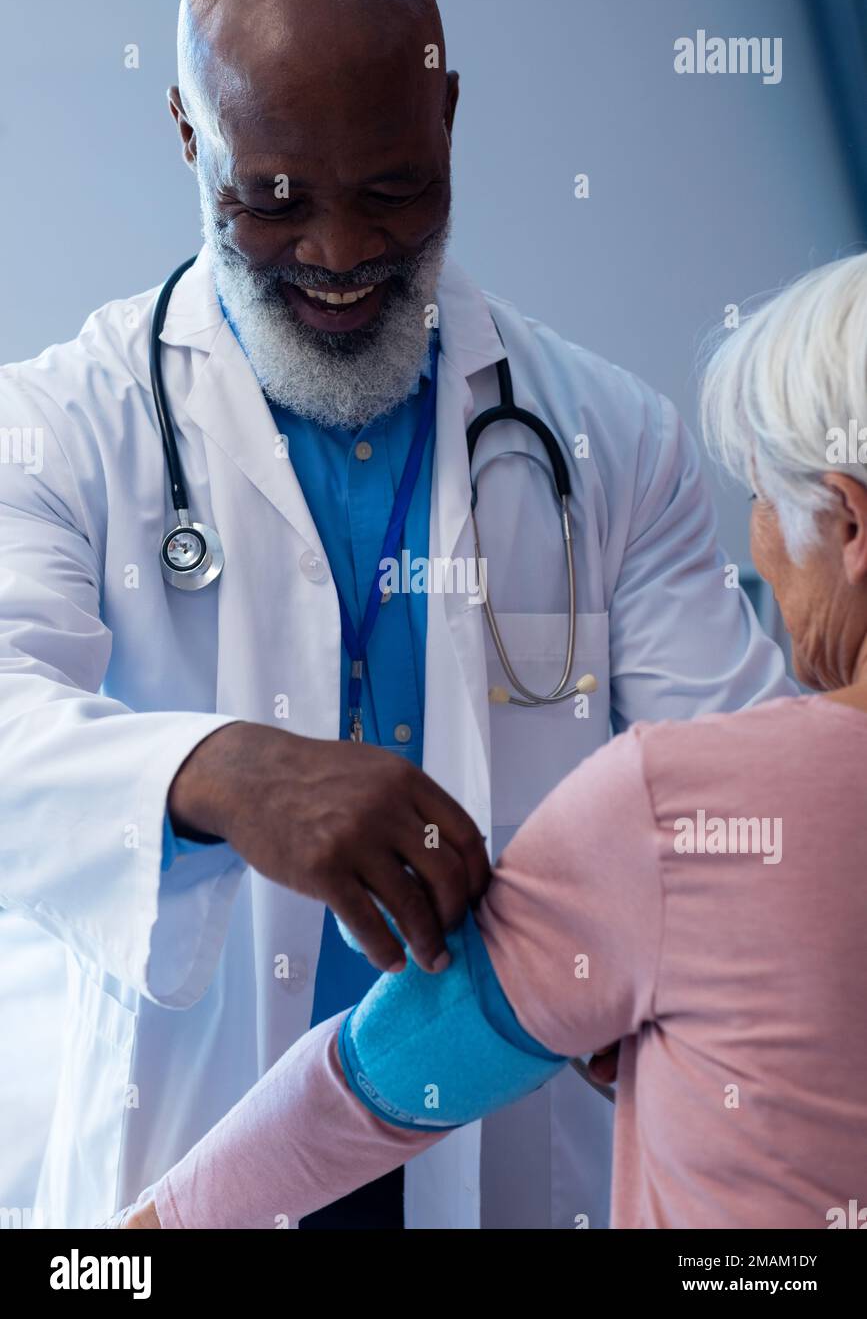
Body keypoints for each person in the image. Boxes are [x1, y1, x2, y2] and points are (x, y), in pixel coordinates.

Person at [0, 0, 789, 1230]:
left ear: (450, 117)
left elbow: (731, 789)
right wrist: (216, 769)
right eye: (271, 196)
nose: (336, 248)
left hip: (515, 1150)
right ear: (187, 138)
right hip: (186, 1153)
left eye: (393, 189)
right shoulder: (61, 425)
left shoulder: (607, 434)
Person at [118, 252, 867, 1231]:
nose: (759, 537)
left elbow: (371, 1087)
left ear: (849, 520)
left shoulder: (683, 808)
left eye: (764, 498)